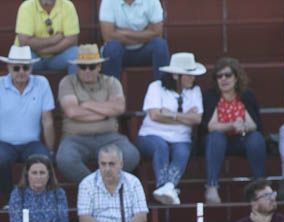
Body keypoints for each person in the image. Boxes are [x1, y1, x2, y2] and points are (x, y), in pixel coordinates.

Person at [54, 44, 139, 184]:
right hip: (75, 138)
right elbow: (72, 111)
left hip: (110, 137)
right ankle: (95, 187)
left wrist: (87, 105)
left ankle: (101, 187)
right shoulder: (67, 82)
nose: (87, 70)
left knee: (131, 155)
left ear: (99, 67)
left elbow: (118, 108)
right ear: (77, 67)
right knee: (65, 159)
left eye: (92, 66)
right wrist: (105, 113)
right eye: (82, 66)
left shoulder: (112, 82)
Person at [0, 46, 55, 197]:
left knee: (43, 159)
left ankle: (34, 200)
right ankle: (10, 199)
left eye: (25, 67)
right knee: (0, 159)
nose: (21, 71)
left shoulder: (42, 83)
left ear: (31, 68)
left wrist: (51, 151)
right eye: (16, 68)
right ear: (9, 67)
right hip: (2, 142)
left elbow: (48, 121)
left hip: (31, 143)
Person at [135, 52, 203, 206]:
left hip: (181, 139)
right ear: (175, 76)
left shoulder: (195, 91)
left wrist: (170, 114)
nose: (193, 78)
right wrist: (184, 117)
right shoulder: (156, 87)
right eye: (188, 74)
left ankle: (167, 187)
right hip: (151, 135)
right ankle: (164, 186)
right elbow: (155, 115)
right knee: (160, 147)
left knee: (182, 152)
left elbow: (197, 119)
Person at [200, 56, 266, 205]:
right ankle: (211, 186)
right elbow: (210, 126)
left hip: (241, 140)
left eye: (228, 75)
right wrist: (232, 125)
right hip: (216, 143)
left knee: (256, 138)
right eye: (219, 76)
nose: (223, 79)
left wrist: (243, 126)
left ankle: (260, 187)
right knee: (216, 136)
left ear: (236, 77)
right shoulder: (210, 96)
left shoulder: (246, 95)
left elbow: (254, 125)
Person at [6, 155, 74, 222]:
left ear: (49, 175)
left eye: (42, 173)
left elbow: (64, 221)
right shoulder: (18, 193)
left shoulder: (58, 192)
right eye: (34, 173)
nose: (38, 176)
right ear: (27, 174)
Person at [98, 0, 168, 82]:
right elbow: (108, 36)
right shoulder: (108, 1)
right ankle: (112, 91)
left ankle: (164, 90)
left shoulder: (152, 1)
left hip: (145, 51)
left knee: (160, 45)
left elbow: (157, 33)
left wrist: (123, 32)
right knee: (111, 48)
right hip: (120, 51)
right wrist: (144, 34)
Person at [14, 0, 79, 74]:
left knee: (77, 54)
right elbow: (24, 42)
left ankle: (73, 85)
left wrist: (44, 51)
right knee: (22, 56)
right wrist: (52, 40)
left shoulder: (67, 5)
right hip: (33, 56)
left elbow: (72, 40)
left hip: (57, 57)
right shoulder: (27, 6)